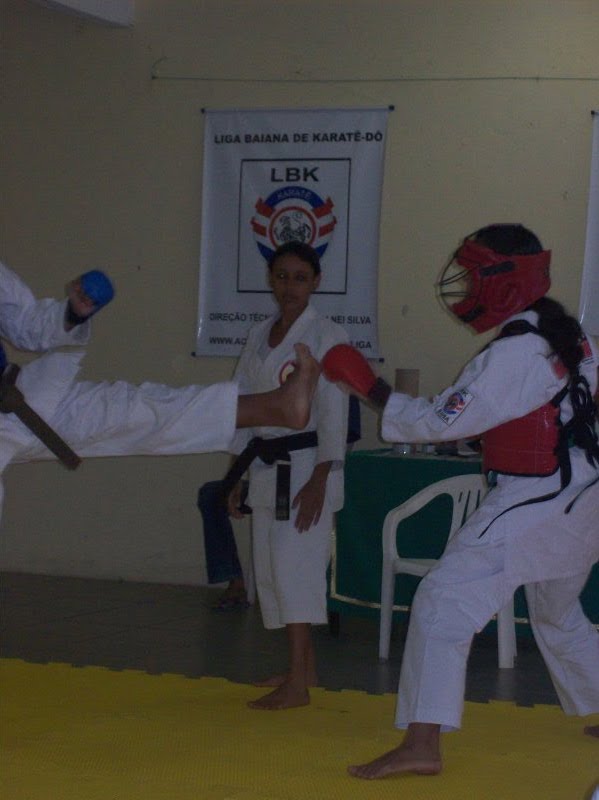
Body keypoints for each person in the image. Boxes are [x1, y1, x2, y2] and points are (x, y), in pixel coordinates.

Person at [324, 224, 599, 778]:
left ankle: (422, 744)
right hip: (584, 498)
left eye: (473, 275)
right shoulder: (572, 338)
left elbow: (439, 421)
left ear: (505, 282)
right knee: (556, 610)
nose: (464, 285)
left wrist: (371, 388)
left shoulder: (517, 350)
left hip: (540, 497)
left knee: (442, 600)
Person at [0, 260, 321, 530]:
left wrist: (72, 313)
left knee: (133, 408)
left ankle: (275, 406)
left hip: (18, 396)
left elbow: (28, 325)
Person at [225, 241, 349, 711]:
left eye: (300, 277)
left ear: (316, 281)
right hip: (263, 463)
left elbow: (335, 411)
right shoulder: (259, 334)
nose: (289, 286)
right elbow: (240, 404)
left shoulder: (328, 335)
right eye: (281, 276)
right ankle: (305, 669)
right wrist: (234, 474)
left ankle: (297, 685)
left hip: (306, 466)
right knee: (273, 568)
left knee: (295, 569)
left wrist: (321, 477)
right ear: (270, 280)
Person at [197, 478, 250, 610]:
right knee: (211, 494)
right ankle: (234, 579)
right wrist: (234, 486)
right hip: (265, 479)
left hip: (292, 481)